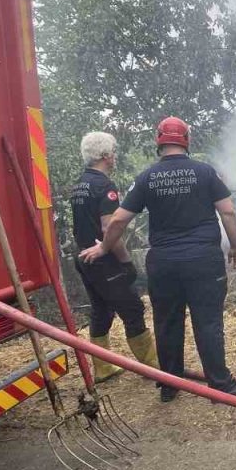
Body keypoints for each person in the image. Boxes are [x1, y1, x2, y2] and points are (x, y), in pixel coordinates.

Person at [79, 116, 236, 401]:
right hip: (203, 261)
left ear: (158, 141)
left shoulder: (146, 177)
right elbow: (229, 212)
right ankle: (221, 386)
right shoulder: (205, 172)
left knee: (166, 322)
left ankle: (170, 385)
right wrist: (235, 247)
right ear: (186, 139)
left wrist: (103, 249)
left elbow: (118, 221)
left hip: (163, 263)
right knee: (208, 322)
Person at [69, 132, 158, 381]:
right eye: (113, 153)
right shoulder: (104, 186)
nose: (115, 157)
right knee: (133, 308)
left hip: (84, 258)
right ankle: (152, 366)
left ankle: (103, 367)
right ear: (106, 156)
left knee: (101, 310)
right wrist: (126, 261)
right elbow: (110, 228)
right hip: (103, 259)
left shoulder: (79, 184)